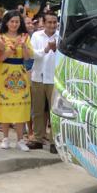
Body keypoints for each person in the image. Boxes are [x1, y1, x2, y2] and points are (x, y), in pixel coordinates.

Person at [0, 10, 33, 151]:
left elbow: (28, 57)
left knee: (21, 106)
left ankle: (20, 139)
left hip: (20, 72)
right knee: (5, 105)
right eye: (12, 21)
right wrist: (12, 47)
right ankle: (5, 138)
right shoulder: (1, 37)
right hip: (4, 72)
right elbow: (1, 58)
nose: (15, 24)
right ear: (6, 22)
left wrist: (22, 45)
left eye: (17, 21)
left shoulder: (25, 37)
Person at [28, 12, 59, 153]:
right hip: (38, 78)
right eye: (49, 22)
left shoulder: (61, 37)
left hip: (54, 79)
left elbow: (65, 58)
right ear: (44, 23)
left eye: (54, 22)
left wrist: (56, 49)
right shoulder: (36, 36)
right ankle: (38, 139)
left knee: (55, 112)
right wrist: (46, 49)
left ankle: (55, 142)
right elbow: (32, 54)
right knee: (38, 111)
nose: (52, 25)